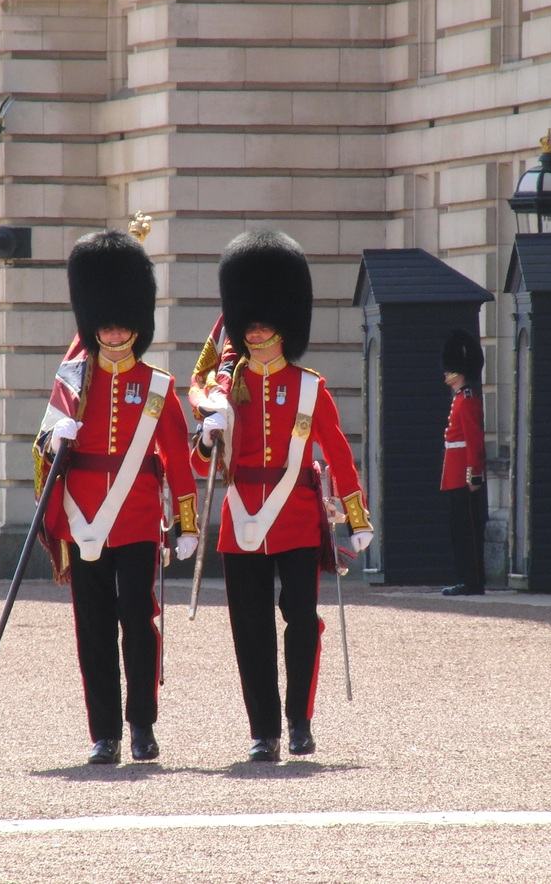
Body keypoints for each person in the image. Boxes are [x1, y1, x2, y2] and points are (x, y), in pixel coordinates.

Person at [192, 230, 374, 762]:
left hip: (295, 516)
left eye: (266, 319)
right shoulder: (224, 388)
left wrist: (357, 517)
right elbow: (198, 464)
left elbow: (337, 453)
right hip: (241, 515)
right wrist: (207, 433)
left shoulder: (308, 386)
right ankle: (263, 730)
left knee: (299, 620)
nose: (257, 328)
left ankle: (299, 719)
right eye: (249, 319)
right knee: (250, 630)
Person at [34, 229, 199, 765]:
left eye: (122, 321)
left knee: (137, 623)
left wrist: (189, 523)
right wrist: (53, 436)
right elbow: (45, 445)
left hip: (135, 520)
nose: (113, 330)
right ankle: (103, 732)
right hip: (84, 520)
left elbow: (177, 459)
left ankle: (142, 724)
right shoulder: (73, 383)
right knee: (93, 632)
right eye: (104, 321)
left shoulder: (156, 385)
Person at [440, 329, 488, 597]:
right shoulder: (460, 398)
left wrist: (474, 475)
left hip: (463, 476)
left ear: (460, 371)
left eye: (450, 370)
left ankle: (472, 581)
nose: (446, 374)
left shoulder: (467, 400)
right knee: (458, 530)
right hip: (454, 473)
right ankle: (465, 578)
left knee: (466, 530)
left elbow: (474, 440)